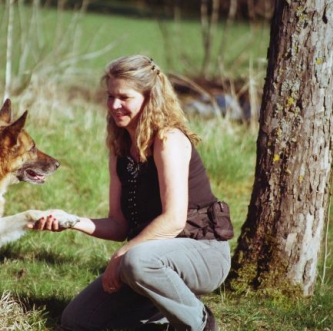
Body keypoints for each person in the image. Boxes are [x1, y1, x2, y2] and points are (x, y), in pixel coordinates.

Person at [30, 55, 231, 331]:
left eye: (124, 97)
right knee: (78, 320)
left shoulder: (168, 140)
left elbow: (174, 220)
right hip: (149, 260)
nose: (114, 105)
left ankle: (200, 323)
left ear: (150, 98)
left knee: (136, 261)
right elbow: (118, 224)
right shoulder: (121, 148)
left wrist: (122, 254)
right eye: (110, 96)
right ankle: (166, 308)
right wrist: (71, 220)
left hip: (204, 252)